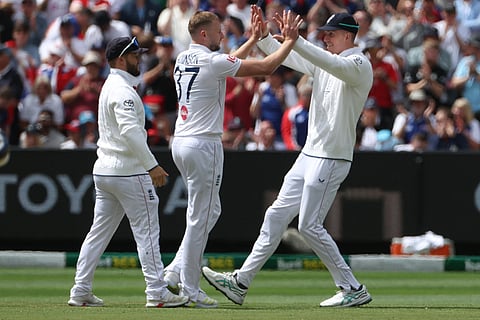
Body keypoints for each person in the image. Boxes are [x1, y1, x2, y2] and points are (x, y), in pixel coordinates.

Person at [202, 11, 373, 308]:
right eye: (325, 33)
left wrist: (297, 40)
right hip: (309, 154)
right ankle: (240, 282)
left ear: (348, 35)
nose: (326, 37)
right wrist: (266, 37)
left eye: (331, 33)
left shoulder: (359, 64)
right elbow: (288, 57)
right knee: (276, 215)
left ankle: (352, 287)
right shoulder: (324, 62)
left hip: (332, 156)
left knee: (309, 226)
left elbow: (326, 61)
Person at [163, 8, 302, 308]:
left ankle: (173, 272)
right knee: (200, 217)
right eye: (217, 31)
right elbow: (266, 67)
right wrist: (290, 41)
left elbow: (226, 65)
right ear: (203, 34)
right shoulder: (212, 61)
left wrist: (253, 39)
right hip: (203, 145)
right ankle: (191, 289)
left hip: (181, 143)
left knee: (209, 212)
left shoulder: (184, 58)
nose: (223, 35)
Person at [68, 36, 189, 308]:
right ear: (120, 59)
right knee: (147, 231)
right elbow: (131, 133)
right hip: (128, 172)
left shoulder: (113, 86)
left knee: (98, 233)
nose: (140, 59)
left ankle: (80, 289)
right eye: (135, 55)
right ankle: (157, 292)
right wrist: (152, 166)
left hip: (106, 172)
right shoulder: (123, 91)